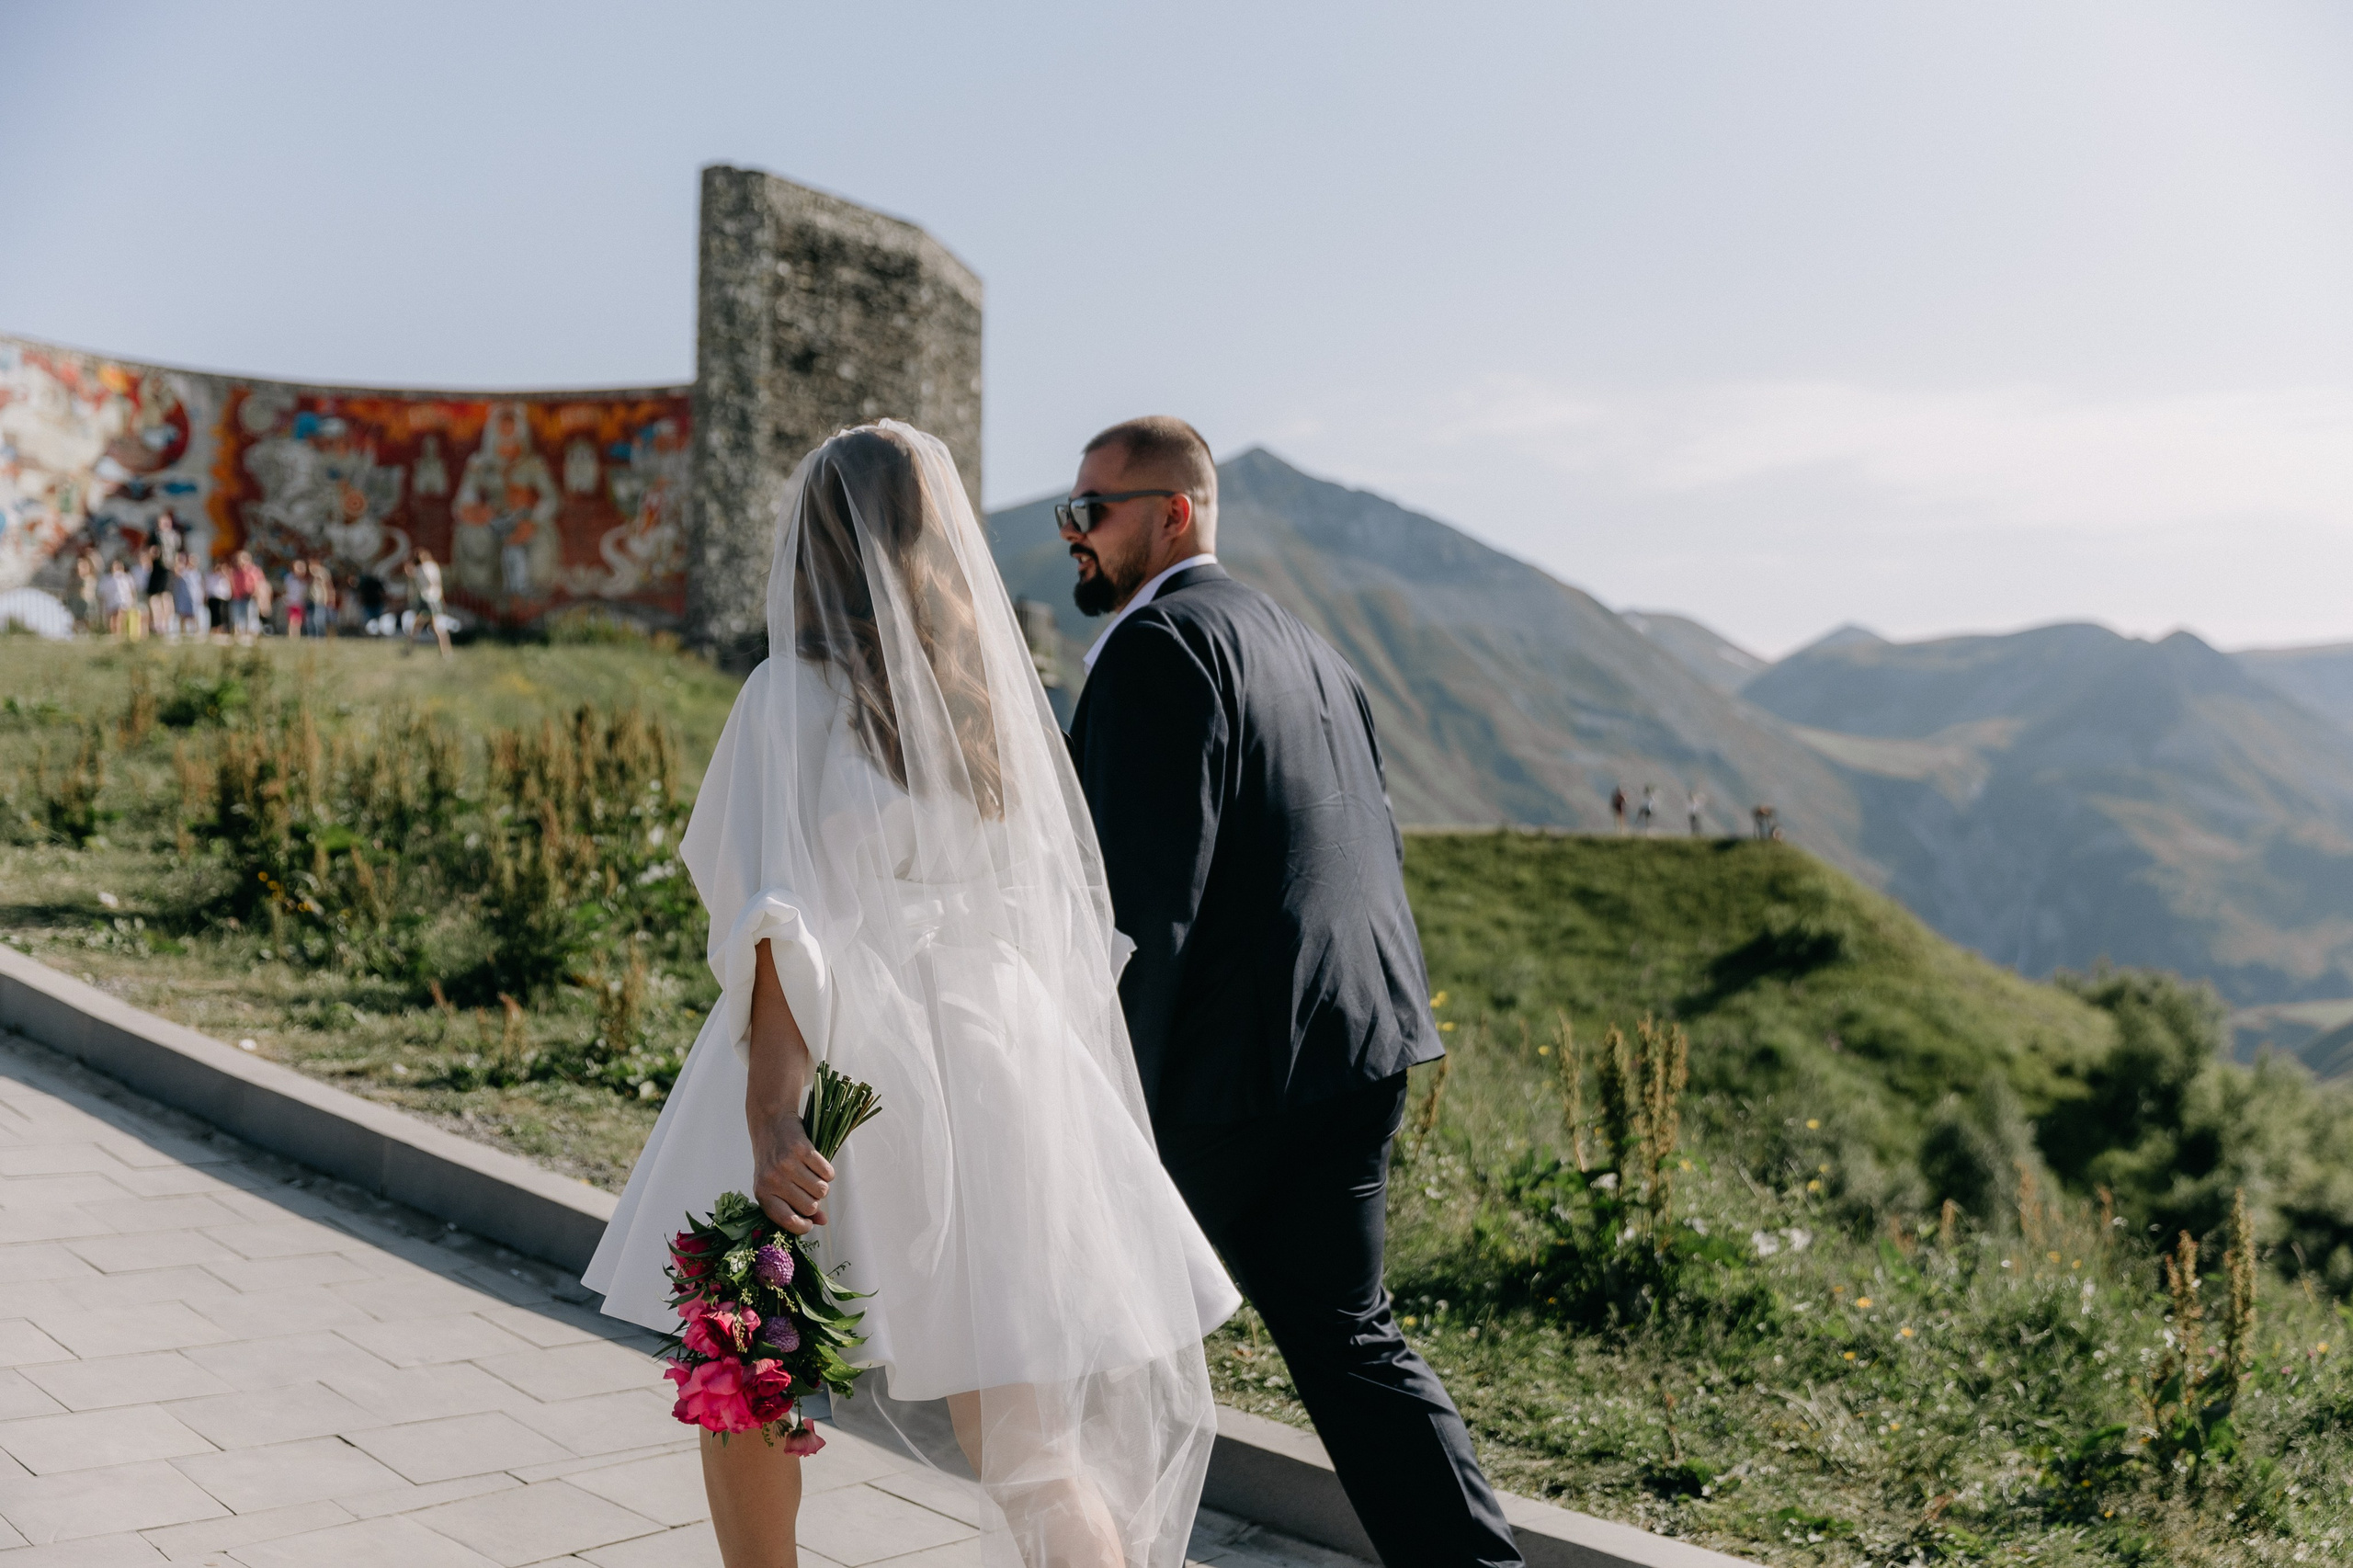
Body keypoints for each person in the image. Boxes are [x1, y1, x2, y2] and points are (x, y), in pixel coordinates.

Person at [585, 423, 1234, 1568]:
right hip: (996, 1056)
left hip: (847, 1059)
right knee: (1028, 1445)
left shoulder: (788, 696)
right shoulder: (981, 703)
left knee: (752, 1371)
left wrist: (771, 1114)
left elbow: (781, 925)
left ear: (818, 540)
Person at [1061, 416, 1524, 1567]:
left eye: (1095, 508)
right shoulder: (1310, 647)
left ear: (1174, 511)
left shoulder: (1160, 646)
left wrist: (1100, 1104)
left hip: (1226, 1077)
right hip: (1355, 1048)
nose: (1074, 532)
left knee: (1102, 1362)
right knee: (1348, 1339)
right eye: (1072, 509)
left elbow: (1137, 909)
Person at [406, 550, 452, 657]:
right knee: (437, 626)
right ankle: (446, 651)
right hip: (435, 599)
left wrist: (410, 571)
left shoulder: (421, 569)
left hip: (427, 600)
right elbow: (438, 584)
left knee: (420, 626)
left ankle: (409, 649)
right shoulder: (434, 567)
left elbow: (419, 581)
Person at [171, 552, 207, 639]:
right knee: (183, 616)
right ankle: (182, 632)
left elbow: (201, 585)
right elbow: (175, 572)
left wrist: (203, 595)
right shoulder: (184, 571)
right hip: (184, 598)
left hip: (195, 598)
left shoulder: (197, 573)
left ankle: (197, 633)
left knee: (195, 615)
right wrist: (178, 560)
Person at [143, 545, 173, 640]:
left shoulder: (156, 537)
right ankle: (163, 626)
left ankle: (160, 625)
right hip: (166, 569)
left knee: (158, 598)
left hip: (161, 571)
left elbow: (153, 552)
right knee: (164, 598)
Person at [204, 559, 233, 643]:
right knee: (215, 616)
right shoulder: (209, 575)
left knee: (223, 615)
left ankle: (222, 631)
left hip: (223, 598)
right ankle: (214, 631)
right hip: (213, 597)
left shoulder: (225, 575)